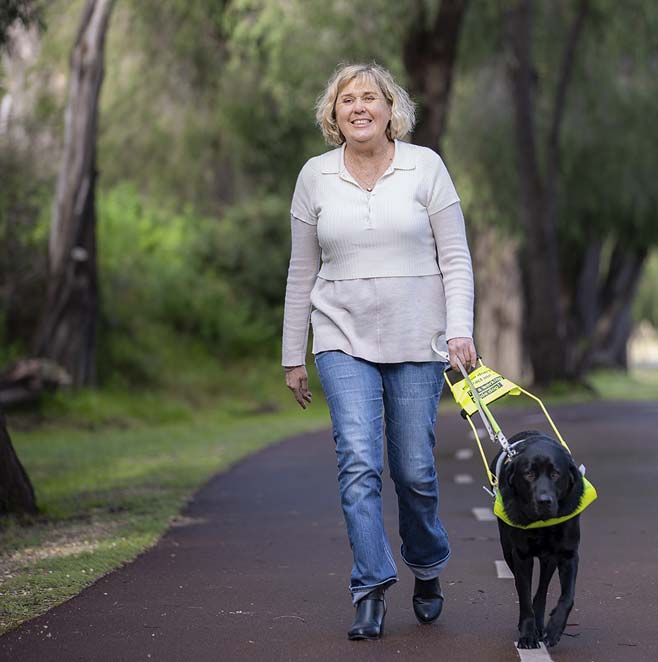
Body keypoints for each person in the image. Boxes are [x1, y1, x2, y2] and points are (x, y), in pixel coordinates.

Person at [281, 63, 476, 641]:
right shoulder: (314, 177)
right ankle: (369, 585)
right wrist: (295, 354)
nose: (359, 107)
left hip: (419, 337)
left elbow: (456, 257)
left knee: (414, 470)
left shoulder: (426, 167)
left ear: (392, 109)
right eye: (347, 100)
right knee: (359, 463)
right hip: (341, 337)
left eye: (371, 97)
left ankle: (427, 563)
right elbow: (301, 271)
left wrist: (459, 329)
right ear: (333, 115)